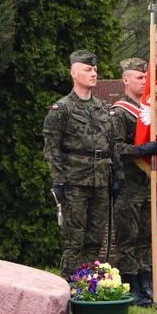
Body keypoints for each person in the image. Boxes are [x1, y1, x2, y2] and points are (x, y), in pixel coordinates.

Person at [42, 50, 123, 281]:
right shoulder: (62, 108)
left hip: (100, 182)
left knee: (94, 239)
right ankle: (70, 287)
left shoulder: (103, 108)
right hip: (75, 182)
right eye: (88, 69)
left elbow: (112, 143)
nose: (93, 73)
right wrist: (58, 179)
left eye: (95, 70)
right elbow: (51, 147)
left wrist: (118, 174)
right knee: (74, 241)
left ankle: (89, 286)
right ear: (74, 73)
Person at [111, 58, 157, 306]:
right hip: (129, 185)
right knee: (129, 238)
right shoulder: (120, 111)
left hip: (148, 183)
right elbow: (116, 147)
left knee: (147, 237)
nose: (144, 81)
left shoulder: (150, 109)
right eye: (139, 78)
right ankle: (131, 287)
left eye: (146, 77)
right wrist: (140, 149)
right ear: (126, 80)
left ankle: (146, 286)